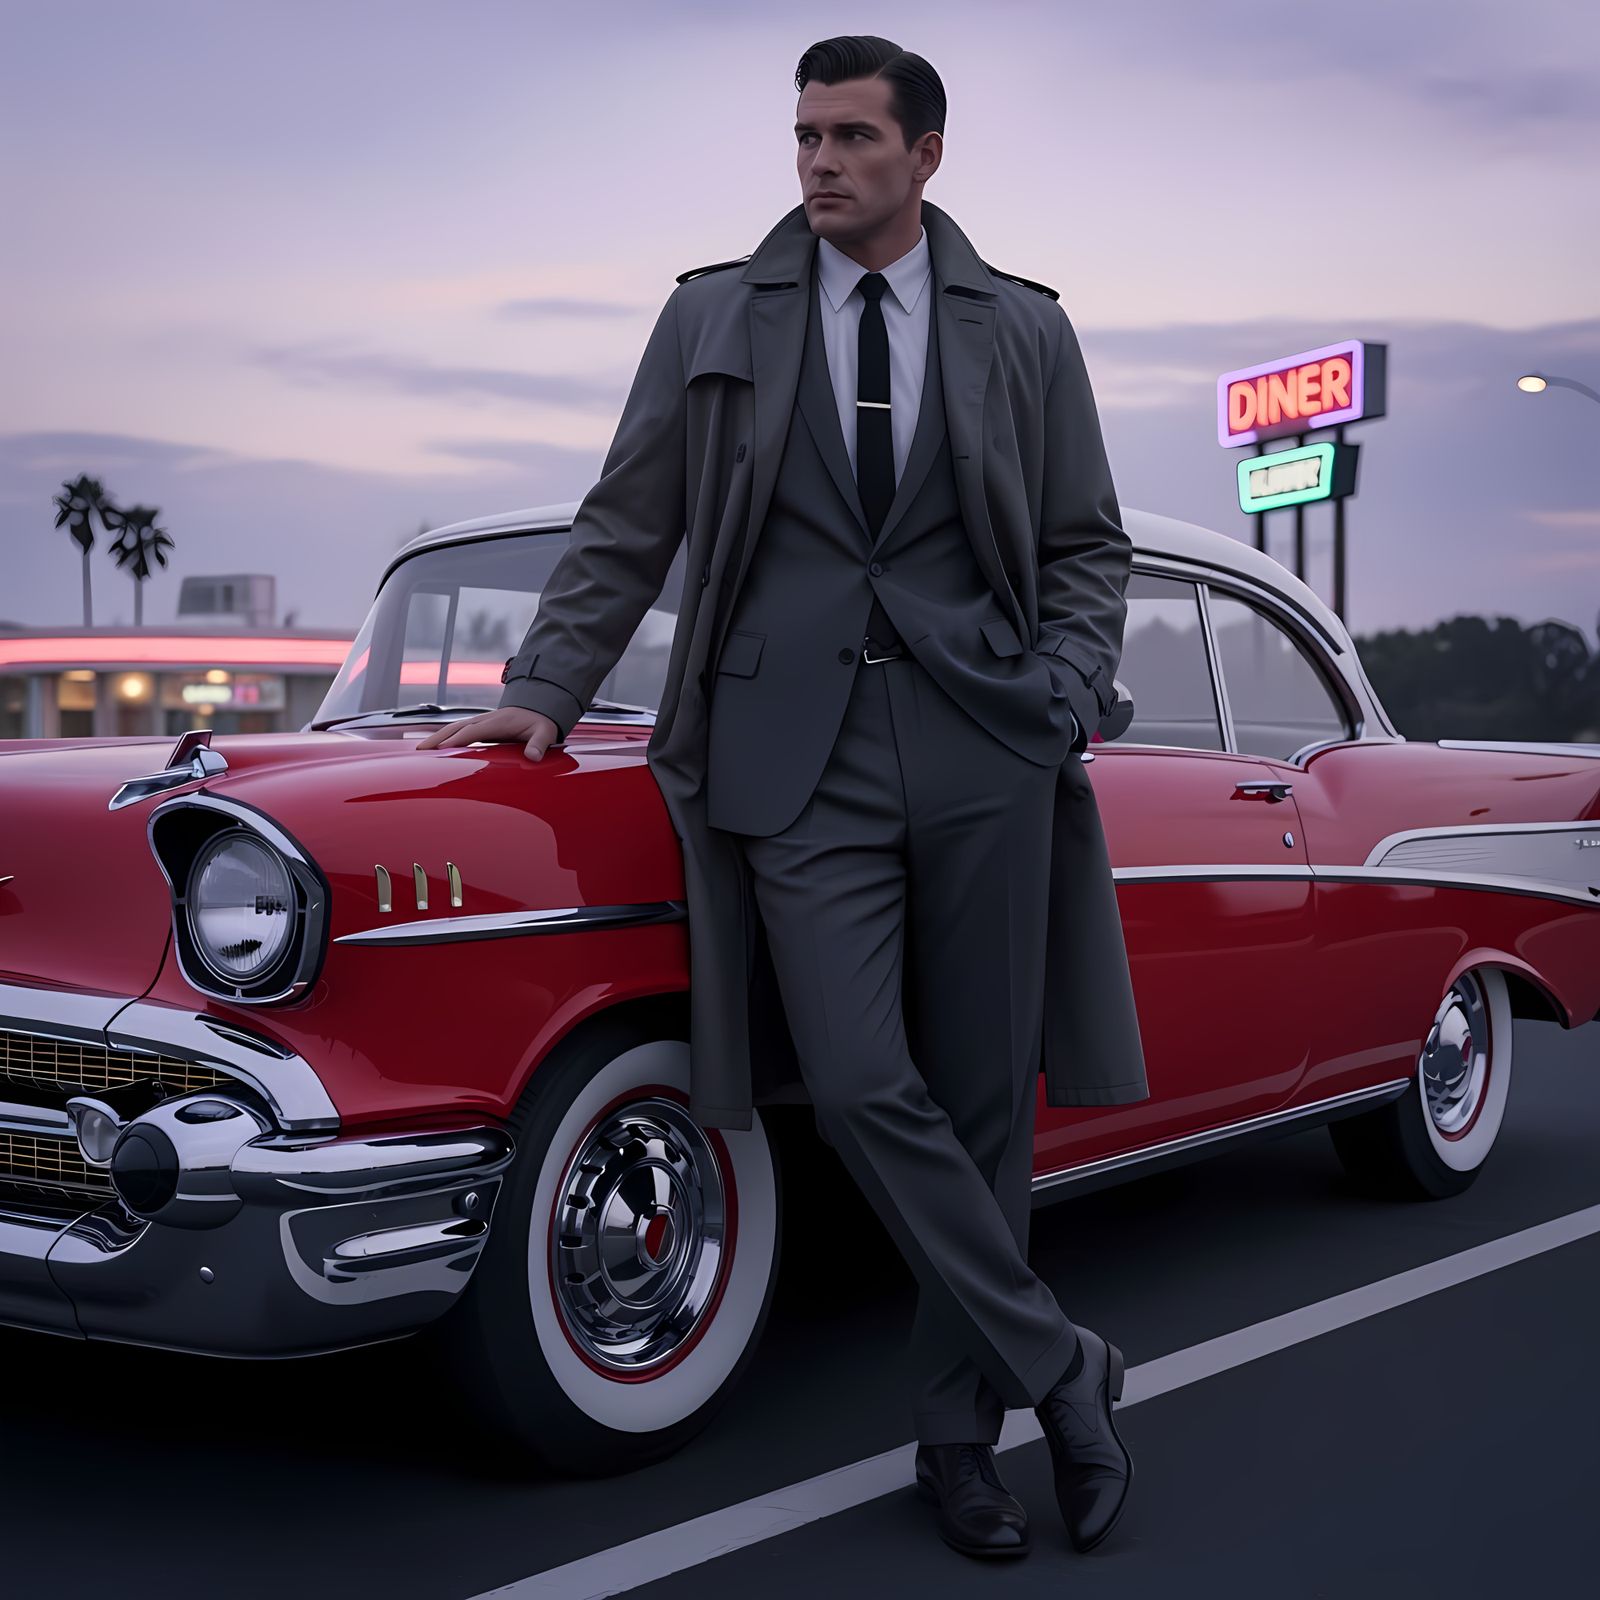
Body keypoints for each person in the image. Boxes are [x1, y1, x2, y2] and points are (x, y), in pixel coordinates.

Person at [420, 33, 1143, 1562]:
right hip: (785, 758)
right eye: (804, 134)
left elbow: (1087, 545)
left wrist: (1067, 693)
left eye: (852, 137)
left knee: (981, 1100)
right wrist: (543, 689)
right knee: (864, 1079)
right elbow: (630, 519)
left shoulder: (1022, 332)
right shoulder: (712, 316)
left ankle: (956, 1444)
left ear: (926, 155)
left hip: (984, 749)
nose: (818, 161)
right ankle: (1064, 1366)